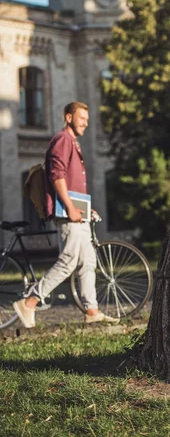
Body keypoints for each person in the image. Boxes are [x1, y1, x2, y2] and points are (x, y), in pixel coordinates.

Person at [13, 102, 118, 328]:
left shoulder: (72, 142)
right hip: (68, 214)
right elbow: (57, 175)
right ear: (69, 117)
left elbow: (71, 183)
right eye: (82, 118)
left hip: (77, 212)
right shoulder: (62, 139)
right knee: (69, 261)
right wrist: (70, 207)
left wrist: (84, 208)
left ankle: (92, 310)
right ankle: (29, 302)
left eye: (87, 120)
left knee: (87, 261)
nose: (85, 123)